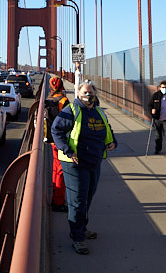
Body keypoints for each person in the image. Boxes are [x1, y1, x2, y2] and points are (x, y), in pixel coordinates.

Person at [51, 81, 117, 255]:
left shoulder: (99, 111)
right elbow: (55, 131)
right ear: (78, 94)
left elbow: (107, 129)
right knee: (77, 201)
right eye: (85, 92)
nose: (88, 95)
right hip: (75, 163)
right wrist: (67, 149)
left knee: (88, 196)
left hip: (94, 161)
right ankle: (77, 238)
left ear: (95, 93)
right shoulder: (70, 111)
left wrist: (112, 142)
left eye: (91, 92)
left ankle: (82, 227)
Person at [44, 76, 70, 212]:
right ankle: (58, 202)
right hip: (61, 140)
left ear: (51, 86)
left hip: (51, 139)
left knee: (56, 169)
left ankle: (56, 197)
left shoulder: (48, 99)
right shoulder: (64, 101)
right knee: (61, 171)